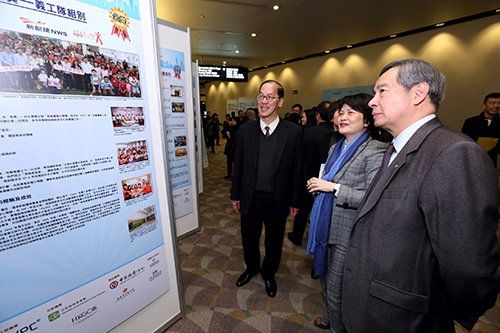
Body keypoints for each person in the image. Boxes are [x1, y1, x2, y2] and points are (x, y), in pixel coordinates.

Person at [342, 58, 499, 333]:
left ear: (418, 93)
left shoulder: (454, 153)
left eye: (382, 91)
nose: (372, 102)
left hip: (407, 319)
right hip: (373, 308)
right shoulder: (395, 148)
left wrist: (437, 309)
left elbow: (469, 266)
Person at [305, 94, 386, 332]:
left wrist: (334, 188)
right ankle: (329, 319)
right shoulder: (335, 147)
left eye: (351, 112)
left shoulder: (376, 150)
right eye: (341, 112)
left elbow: (373, 198)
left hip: (347, 233)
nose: (343, 117)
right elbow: (327, 181)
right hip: (325, 225)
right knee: (324, 279)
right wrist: (319, 187)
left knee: (337, 290)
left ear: (367, 121)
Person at [231, 80, 302, 298]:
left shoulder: (294, 132)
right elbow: (238, 164)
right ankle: (252, 267)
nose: (264, 101)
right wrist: (235, 195)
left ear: (280, 102)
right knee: (248, 237)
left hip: (277, 199)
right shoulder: (245, 131)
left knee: (274, 239)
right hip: (250, 197)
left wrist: (295, 201)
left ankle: (269, 272)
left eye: (270, 97)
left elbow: (297, 170)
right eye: (261, 96)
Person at [287, 102, 332, 247]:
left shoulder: (308, 133)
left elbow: (301, 158)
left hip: (309, 177)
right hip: (329, 179)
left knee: (303, 209)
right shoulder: (336, 133)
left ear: (318, 115)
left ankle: (297, 236)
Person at [461, 92, 500, 166]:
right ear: (484, 106)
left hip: (492, 162)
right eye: (492, 103)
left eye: (499, 103)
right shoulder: (470, 122)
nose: (496, 106)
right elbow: (464, 140)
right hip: (472, 159)